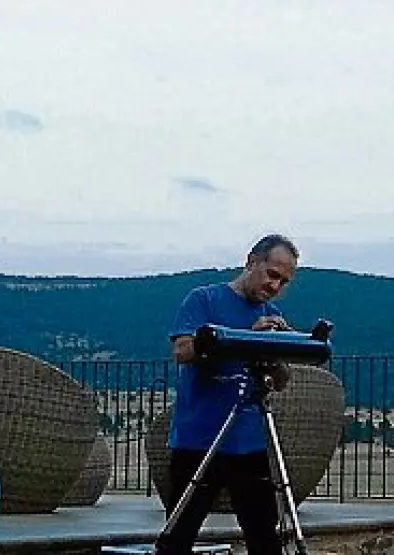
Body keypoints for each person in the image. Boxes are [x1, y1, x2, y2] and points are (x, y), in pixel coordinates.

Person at [154, 234, 300, 555]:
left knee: (265, 537)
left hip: (248, 442)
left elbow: (281, 380)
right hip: (199, 439)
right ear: (251, 262)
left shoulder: (271, 314)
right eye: (272, 275)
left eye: (284, 282)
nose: (275, 286)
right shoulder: (204, 300)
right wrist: (247, 338)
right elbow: (182, 350)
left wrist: (278, 350)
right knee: (179, 535)